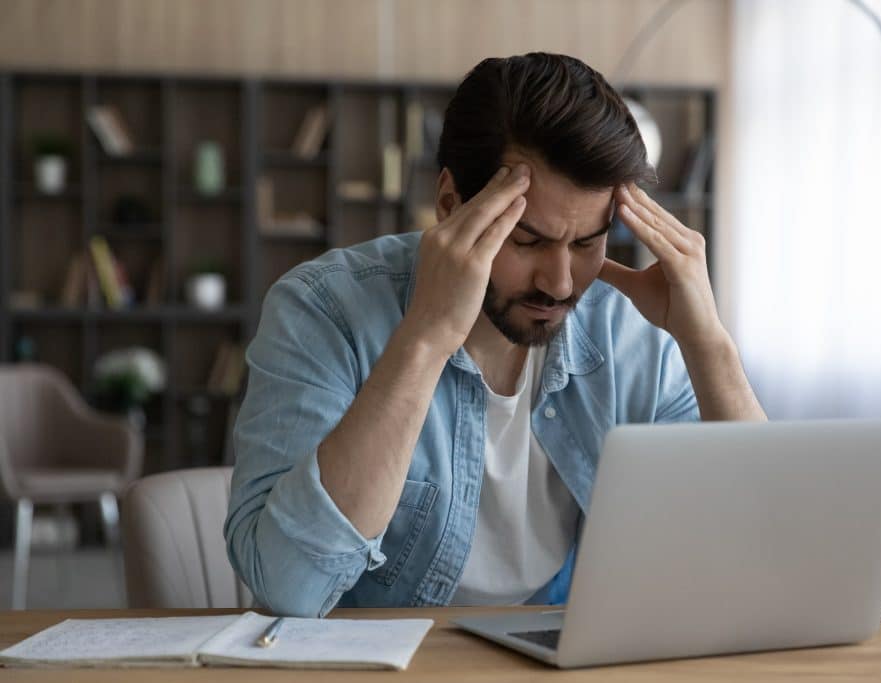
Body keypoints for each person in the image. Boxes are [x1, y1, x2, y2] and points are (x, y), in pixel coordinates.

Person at [225, 52, 766, 618]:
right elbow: (290, 587)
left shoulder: (627, 331)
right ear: (450, 203)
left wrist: (709, 345)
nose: (559, 284)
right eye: (527, 241)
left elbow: (765, 553)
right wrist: (426, 338)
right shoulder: (323, 310)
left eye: (586, 243)